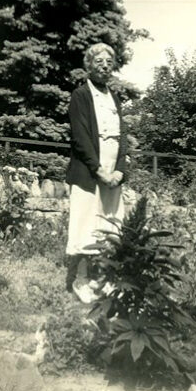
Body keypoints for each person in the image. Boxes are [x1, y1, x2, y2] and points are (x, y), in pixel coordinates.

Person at [65, 43, 127, 303]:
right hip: (89, 175)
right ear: (89, 65)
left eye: (108, 61)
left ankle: (101, 279)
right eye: (98, 61)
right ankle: (80, 280)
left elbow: (122, 137)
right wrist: (99, 170)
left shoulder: (114, 98)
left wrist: (120, 171)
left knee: (109, 226)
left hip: (112, 176)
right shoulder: (81, 95)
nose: (104, 65)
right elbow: (80, 138)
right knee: (85, 225)